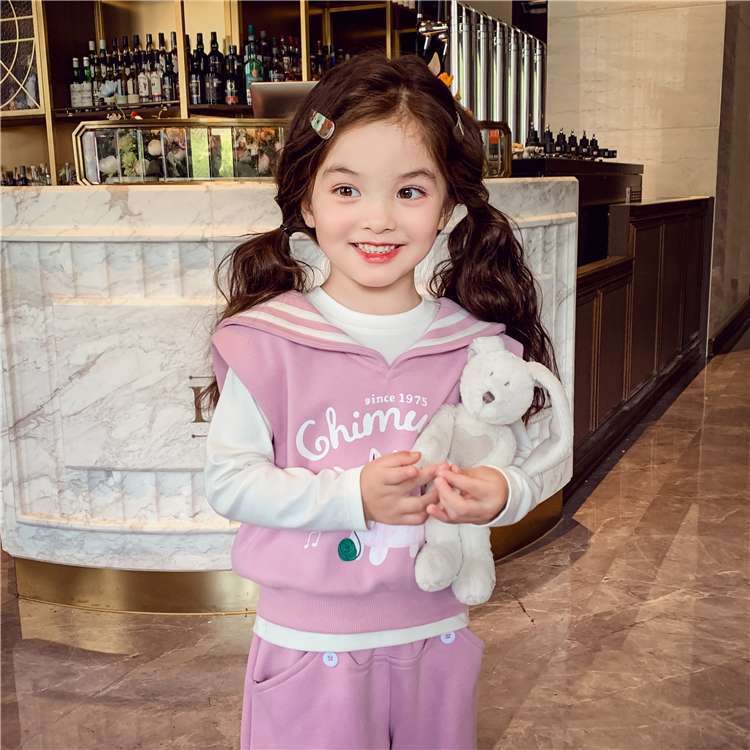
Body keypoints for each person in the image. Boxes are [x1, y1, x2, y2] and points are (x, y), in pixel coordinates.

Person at [202, 50, 567, 749]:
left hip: (435, 635)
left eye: (409, 191)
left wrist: (503, 493)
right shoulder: (269, 341)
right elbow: (229, 481)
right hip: (311, 648)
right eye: (346, 189)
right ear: (306, 200)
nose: (378, 219)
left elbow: (529, 462)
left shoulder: (476, 348)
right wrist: (354, 497)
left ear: (448, 207)